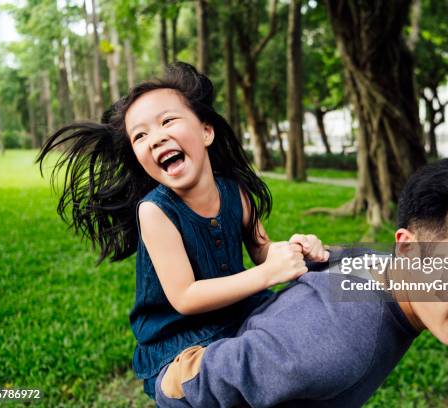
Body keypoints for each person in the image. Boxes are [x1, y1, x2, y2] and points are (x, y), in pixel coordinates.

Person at [154, 154, 448, 407]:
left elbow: (348, 264)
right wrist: (171, 374)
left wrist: (320, 254)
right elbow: (193, 385)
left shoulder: (386, 272)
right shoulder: (334, 350)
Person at [36, 62, 329, 399]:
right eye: (140, 135)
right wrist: (267, 274)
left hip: (242, 316)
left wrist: (293, 250)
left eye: (167, 121)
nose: (156, 137)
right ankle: (186, 385)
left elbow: (263, 249)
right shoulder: (155, 211)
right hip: (180, 342)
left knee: (311, 313)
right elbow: (186, 297)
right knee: (234, 370)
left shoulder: (236, 191)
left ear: (206, 131)